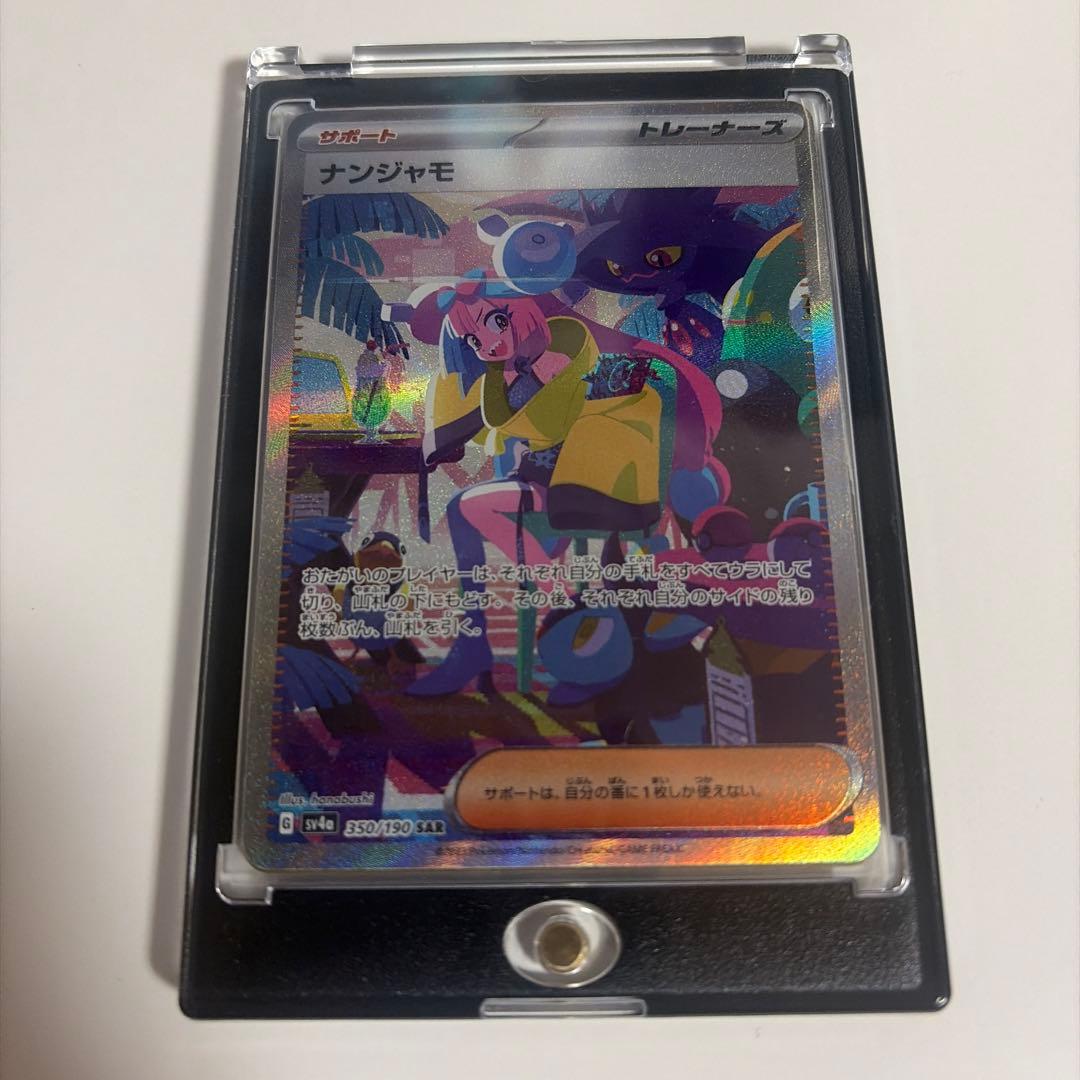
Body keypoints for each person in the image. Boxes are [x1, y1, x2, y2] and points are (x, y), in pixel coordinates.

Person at [385, 270, 723, 696]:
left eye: (496, 323)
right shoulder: (518, 364)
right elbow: (498, 416)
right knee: (467, 509)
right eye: (473, 339)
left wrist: (507, 385)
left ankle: (556, 602)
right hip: (547, 477)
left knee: (467, 508)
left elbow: (533, 423)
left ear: (521, 311)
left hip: (580, 480)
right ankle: (494, 635)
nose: (488, 343)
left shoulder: (562, 351)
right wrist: (495, 370)